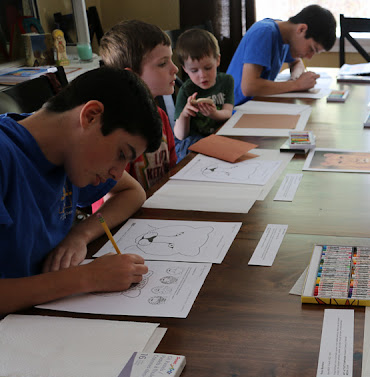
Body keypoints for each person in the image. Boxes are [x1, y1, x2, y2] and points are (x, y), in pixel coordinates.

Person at [0, 67, 162, 315]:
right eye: (121, 154)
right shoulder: (6, 156)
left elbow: (133, 192)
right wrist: (88, 277)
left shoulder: (68, 151)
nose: (117, 173)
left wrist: (80, 235)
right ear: (91, 116)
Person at [100, 20, 179, 189]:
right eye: (163, 63)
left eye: (171, 60)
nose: (175, 69)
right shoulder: (118, 131)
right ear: (132, 77)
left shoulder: (160, 116)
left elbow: (172, 168)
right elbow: (113, 193)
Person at [226, 4, 336, 105]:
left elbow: (297, 62)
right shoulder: (265, 32)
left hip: (256, 103)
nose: (309, 57)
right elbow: (249, 87)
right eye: (311, 49)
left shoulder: (286, 37)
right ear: (301, 29)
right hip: (234, 109)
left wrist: (295, 78)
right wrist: (297, 85)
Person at [173, 28, 234, 157]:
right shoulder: (186, 90)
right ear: (185, 69)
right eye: (194, 70)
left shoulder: (226, 81)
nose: (202, 75)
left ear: (217, 60)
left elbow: (228, 112)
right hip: (194, 141)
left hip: (221, 135)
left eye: (208, 68)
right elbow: (180, 135)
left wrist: (214, 114)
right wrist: (185, 114)